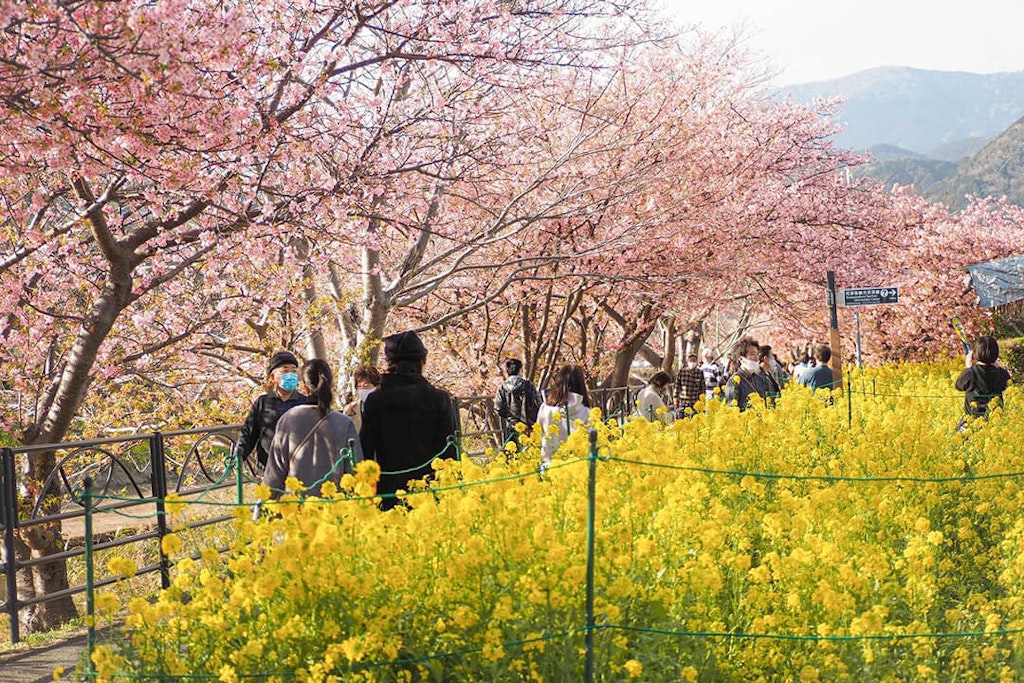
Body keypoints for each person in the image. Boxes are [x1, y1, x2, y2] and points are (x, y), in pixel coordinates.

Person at [360, 331, 459, 510]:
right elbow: (449, 451)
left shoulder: (375, 400)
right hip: (430, 494)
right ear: (422, 361)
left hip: (389, 494)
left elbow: (366, 451)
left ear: (389, 364)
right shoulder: (439, 399)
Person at [263, 359, 363, 498]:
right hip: (334, 509)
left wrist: (263, 509)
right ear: (331, 385)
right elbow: (354, 471)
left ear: (305, 388)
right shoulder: (344, 422)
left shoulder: (289, 418)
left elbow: (275, 473)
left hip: (295, 508)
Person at [233, 351, 309, 469]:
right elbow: (249, 433)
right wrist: (238, 456)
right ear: (273, 377)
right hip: (268, 467)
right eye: (284, 371)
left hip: (299, 468)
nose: (290, 374)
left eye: (294, 371)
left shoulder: (306, 403)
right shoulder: (263, 403)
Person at [538, 364, 593, 468]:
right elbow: (592, 443)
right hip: (579, 467)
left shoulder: (545, 408)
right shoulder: (586, 412)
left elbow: (538, 435)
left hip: (549, 466)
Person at [955, 335, 1011, 424]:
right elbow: (1007, 385)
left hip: (972, 421)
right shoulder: (1002, 374)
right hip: (995, 420)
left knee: (956, 436)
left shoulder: (970, 373)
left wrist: (969, 367)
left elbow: (959, 386)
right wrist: (998, 367)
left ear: (975, 353)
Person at [724, 337, 781, 411]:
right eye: (752, 354)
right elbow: (731, 410)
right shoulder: (734, 381)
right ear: (741, 358)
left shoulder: (759, 379)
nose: (756, 358)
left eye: (757, 354)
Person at [494, 358, 541, 447]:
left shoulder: (502, 388)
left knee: (514, 454)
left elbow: (498, 408)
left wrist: (510, 418)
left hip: (511, 426)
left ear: (507, 371)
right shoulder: (528, 385)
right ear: (520, 370)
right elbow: (538, 404)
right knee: (530, 453)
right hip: (529, 426)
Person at [342, 365, 381, 433]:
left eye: (366, 386)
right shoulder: (350, 410)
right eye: (359, 387)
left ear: (377, 386)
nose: (362, 389)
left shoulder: (386, 407)